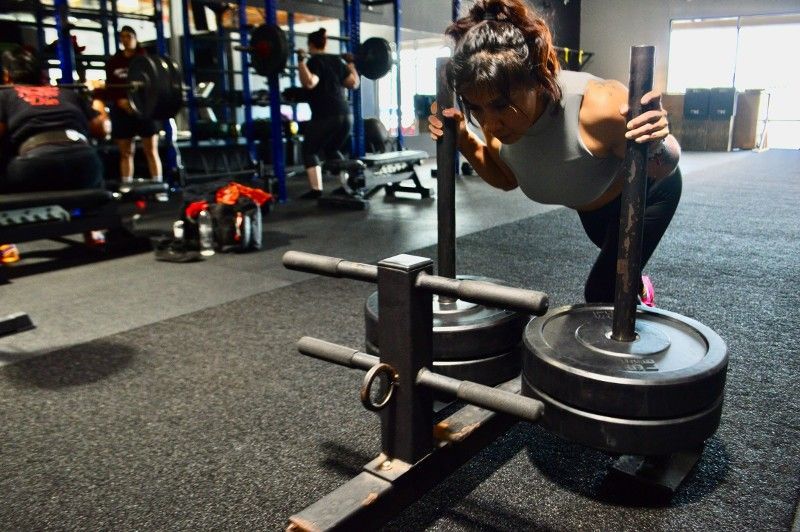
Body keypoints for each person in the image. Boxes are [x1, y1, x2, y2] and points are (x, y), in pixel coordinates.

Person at [428, 0, 681, 306]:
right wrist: (464, 139)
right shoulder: (496, 123)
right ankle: (638, 287)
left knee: (603, 292)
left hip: (648, 193)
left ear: (537, 79)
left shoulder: (600, 108)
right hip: (591, 204)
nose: (490, 123)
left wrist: (656, 139)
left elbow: (662, 167)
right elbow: (507, 177)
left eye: (499, 105)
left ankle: (639, 310)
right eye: (476, 108)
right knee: (619, 272)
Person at [0, 46, 110, 259]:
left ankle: (4, 240)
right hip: (86, 168)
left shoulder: (4, 96)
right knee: (90, 157)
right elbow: (103, 130)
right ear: (41, 73)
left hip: (34, 171)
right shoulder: (67, 93)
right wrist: (98, 97)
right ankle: (93, 229)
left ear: (6, 75)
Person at [296, 28, 360, 199]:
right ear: (325, 43)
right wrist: (351, 64)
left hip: (325, 115)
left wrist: (301, 61)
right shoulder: (337, 61)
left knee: (310, 150)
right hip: (346, 116)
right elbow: (354, 83)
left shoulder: (314, 61)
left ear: (310, 44)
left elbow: (310, 82)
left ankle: (316, 190)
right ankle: (344, 185)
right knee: (332, 149)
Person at [105, 25, 162, 191]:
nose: (125, 39)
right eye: (122, 36)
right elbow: (110, 86)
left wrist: (137, 103)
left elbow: (154, 85)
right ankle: (127, 186)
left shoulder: (145, 60)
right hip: (122, 110)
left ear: (135, 38)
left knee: (151, 150)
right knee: (126, 152)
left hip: (144, 110)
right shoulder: (114, 62)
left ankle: (158, 187)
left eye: (128, 36)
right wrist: (121, 101)